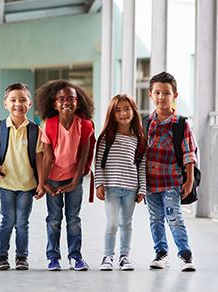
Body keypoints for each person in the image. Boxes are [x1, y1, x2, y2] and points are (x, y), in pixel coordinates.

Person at [36, 79, 94, 271]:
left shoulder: (85, 126)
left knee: (73, 219)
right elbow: (47, 156)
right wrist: (43, 182)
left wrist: (75, 182)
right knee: (53, 219)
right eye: (61, 99)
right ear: (54, 103)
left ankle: (75, 256)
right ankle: (53, 257)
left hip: (74, 177)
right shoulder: (50, 124)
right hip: (53, 177)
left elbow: (84, 156)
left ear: (78, 102)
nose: (66, 102)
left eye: (71, 98)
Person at [144, 72, 197, 272]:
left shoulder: (181, 123)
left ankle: (185, 255)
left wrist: (189, 180)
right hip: (150, 183)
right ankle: (161, 254)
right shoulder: (146, 122)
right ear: (150, 94)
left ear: (174, 95)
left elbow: (188, 153)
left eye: (166, 93)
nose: (161, 97)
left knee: (174, 218)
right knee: (155, 219)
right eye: (157, 92)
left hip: (172, 181)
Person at [0, 83, 44, 271]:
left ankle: (22, 257)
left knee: (22, 222)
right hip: (6, 183)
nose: (18, 104)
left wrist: (41, 182)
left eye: (23, 99)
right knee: (8, 220)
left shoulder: (35, 130)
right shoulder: (0, 127)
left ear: (29, 104)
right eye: (13, 100)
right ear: (5, 103)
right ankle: (1, 256)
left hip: (27, 184)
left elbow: (39, 157)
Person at [94, 94, 146, 271]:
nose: (123, 113)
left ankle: (125, 257)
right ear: (112, 114)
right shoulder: (107, 137)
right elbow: (98, 162)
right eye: (118, 110)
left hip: (131, 189)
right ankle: (107, 256)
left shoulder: (138, 138)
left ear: (133, 111)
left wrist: (142, 189)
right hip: (112, 188)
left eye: (127, 109)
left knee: (127, 223)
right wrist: (99, 184)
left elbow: (141, 166)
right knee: (112, 223)